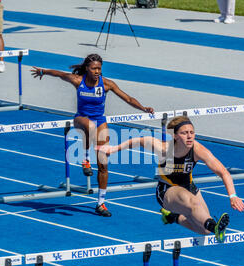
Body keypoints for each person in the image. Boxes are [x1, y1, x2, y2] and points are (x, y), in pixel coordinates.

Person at [31, 54, 154, 217]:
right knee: (89, 126)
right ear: (87, 68)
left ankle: (101, 203)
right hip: (81, 118)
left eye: (99, 69)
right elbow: (60, 74)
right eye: (94, 68)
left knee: (103, 164)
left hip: (99, 120)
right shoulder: (77, 80)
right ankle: (85, 159)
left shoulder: (107, 84)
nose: (97, 72)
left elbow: (128, 98)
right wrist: (43, 72)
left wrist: (143, 108)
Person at [96, 116, 244, 242]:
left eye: (192, 132)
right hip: (167, 190)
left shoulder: (198, 150)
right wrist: (112, 149)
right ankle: (216, 227)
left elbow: (223, 172)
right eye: (185, 133)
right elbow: (138, 141)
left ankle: (173, 218)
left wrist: (233, 196)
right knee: (194, 204)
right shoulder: (163, 148)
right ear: (174, 135)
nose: (189, 136)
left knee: (204, 230)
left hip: (189, 187)